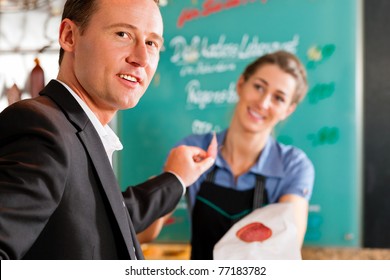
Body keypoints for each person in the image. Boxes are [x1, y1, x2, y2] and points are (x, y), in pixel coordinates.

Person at [0, 0, 216, 260]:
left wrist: (176, 179)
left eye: (151, 43)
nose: (141, 59)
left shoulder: (77, 130)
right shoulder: (41, 129)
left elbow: (100, 222)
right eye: (122, 34)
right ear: (69, 37)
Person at [140, 51, 315, 260]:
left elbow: (286, 249)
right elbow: (144, 232)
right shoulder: (193, 148)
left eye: (278, 98)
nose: (263, 103)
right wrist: (168, 180)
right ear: (241, 84)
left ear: (288, 110)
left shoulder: (293, 166)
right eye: (259, 87)